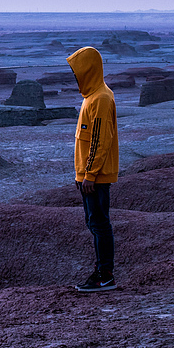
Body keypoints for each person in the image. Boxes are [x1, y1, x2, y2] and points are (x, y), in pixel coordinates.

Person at [66, 46, 119, 292]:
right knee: (94, 223)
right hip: (88, 175)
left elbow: (100, 140)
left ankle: (104, 275)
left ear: (88, 70)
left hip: (94, 177)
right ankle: (101, 272)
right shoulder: (91, 96)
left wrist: (89, 175)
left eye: (78, 71)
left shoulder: (100, 98)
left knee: (99, 224)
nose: (75, 76)